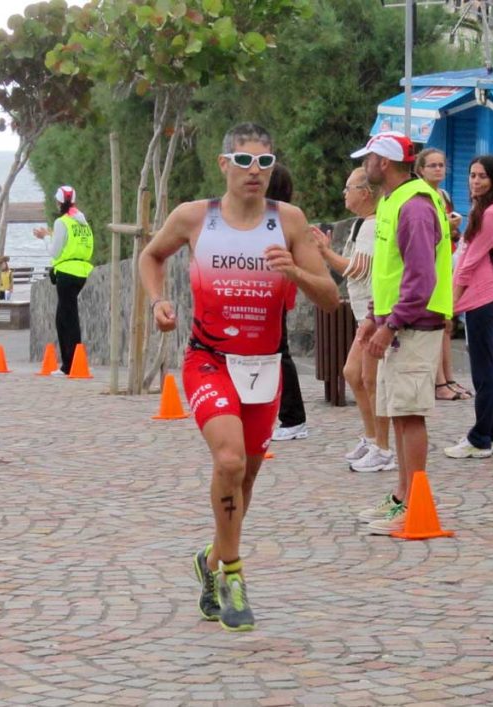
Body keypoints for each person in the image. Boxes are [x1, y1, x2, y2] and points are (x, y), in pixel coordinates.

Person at [139, 123, 339, 631]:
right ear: (223, 163)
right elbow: (151, 255)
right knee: (227, 459)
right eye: (244, 162)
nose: (255, 173)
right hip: (208, 359)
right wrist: (159, 301)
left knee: (243, 479)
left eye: (265, 164)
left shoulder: (288, 221)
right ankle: (232, 574)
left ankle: (209, 561)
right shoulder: (194, 217)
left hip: (263, 368)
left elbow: (331, 297)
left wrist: (293, 271)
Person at [350, 132, 452, 535]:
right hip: (398, 325)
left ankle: (415, 503)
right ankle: (401, 497)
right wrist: (375, 317)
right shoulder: (394, 202)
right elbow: (388, 272)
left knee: (409, 414)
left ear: (385, 163)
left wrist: (390, 322)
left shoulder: (414, 207)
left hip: (414, 325)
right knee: (397, 413)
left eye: (370, 159)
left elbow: (420, 277)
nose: (365, 166)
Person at [313, 167, 394, 472]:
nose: (344, 193)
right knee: (353, 373)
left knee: (369, 379)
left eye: (348, 187)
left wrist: (324, 252)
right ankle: (372, 436)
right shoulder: (366, 224)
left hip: (373, 313)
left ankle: (382, 447)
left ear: (365, 192)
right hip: (365, 313)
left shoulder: (373, 226)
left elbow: (358, 269)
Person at [444, 155, 493, 460]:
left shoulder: (492, 213)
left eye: (482, 176)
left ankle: (481, 438)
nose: (476, 180)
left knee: (484, 373)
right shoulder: (484, 209)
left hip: (481, 298)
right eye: (472, 175)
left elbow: (470, 263)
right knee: (491, 370)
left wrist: (451, 303)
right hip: (481, 297)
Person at [415, 148, 471, 402]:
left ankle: (448, 377)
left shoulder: (443, 194)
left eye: (441, 165)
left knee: (446, 325)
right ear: (420, 170)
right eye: (432, 165)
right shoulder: (419, 196)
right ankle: (438, 382)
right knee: (435, 324)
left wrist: (453, 227)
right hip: (430, 266)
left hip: (446, 260)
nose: (438, 169)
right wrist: (445, 225)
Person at [265, 165, 309, 442]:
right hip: (270, 292)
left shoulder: (281, 220)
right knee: (274, 353)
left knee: (279, 353)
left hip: (275, 292)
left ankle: (293, 418)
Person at [32, 186, 94, 376]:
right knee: (66, 317)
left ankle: (71, 365)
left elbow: (54, 252)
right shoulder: (82, 222)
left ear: (58, 202)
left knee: (66, 319)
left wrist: (45, 238)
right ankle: (74, 362)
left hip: (66, 272)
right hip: (82, 271)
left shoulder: (62, 222)